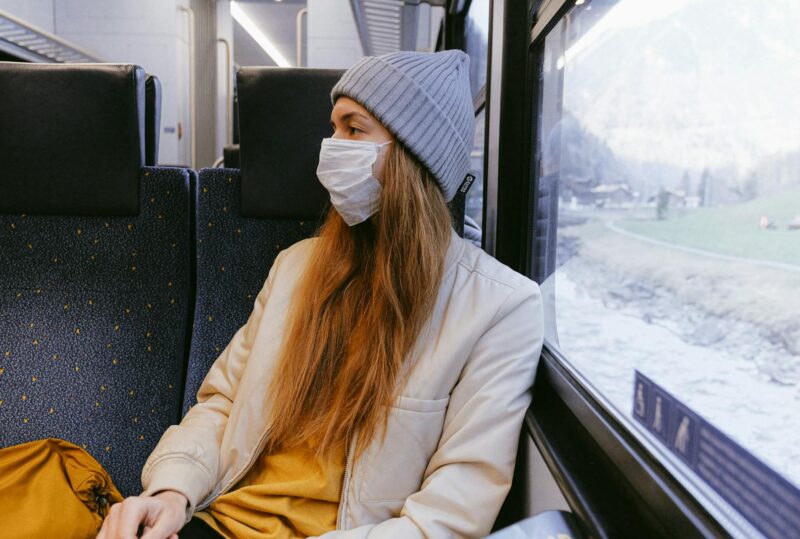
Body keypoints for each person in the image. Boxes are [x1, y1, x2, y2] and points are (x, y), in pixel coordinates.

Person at [97, 49, 544, 539]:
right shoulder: (296, 267)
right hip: (220, 519)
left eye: (354, 129)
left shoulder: (501, 309)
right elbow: (221, 404)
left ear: (416, 158)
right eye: (333, 129)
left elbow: (449, 513)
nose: (331, 148)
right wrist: (171, 492)